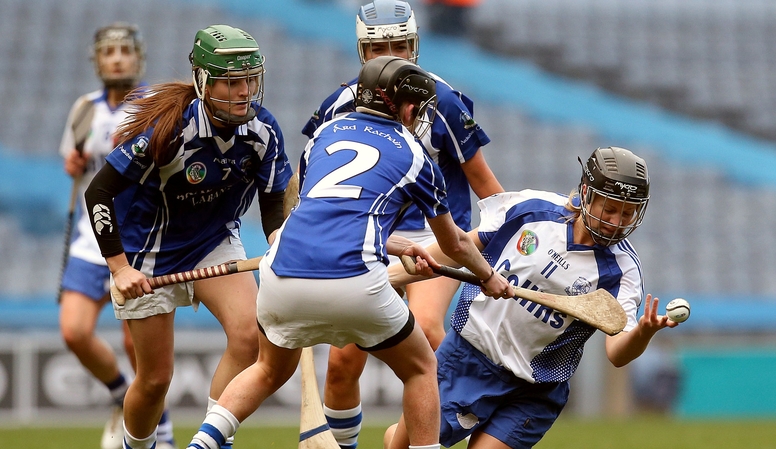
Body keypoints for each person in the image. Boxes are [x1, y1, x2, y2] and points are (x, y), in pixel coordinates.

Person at [185, 55, 512, 449]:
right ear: (406, 106)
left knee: (267, 370)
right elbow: (454, 243)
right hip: (353, 282)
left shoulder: (327, 133)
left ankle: (202, 442)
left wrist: (400, 244)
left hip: (280, 274)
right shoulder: (414, 153)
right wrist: (489, 277)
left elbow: (329, 214)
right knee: (422, 368)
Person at [301, 2, 504, 446]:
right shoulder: (338, 104)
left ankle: (429, 430)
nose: (389, 55)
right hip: (371, 240)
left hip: (440, 237)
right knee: (341, 366)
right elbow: (310, 181)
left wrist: (508, 241)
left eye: (398, 46)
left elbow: (486, 185)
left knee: (428, 331)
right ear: (361, 50)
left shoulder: (444, 101)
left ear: (414, 46)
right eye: (378, 47)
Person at [384, 146, 681, 449]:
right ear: (586, 194)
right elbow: (456, 248)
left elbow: (617, 354)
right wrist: (389, 278)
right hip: (467, 358)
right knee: (400, 445)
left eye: (628, 213)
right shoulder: (531, 210)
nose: (617, 221)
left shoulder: (623, 270)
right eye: (610, 209)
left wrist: (643, 332)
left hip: (536, 389)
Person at [83, 24, 292, 449]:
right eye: (230, 83)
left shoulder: (263, 131)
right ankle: (136, 446)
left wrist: (277, 238)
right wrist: (119, 268)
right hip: (148, 251)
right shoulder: (167, 130)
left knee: (251, 337)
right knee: (156, 379)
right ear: (203, 82)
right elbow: (98, 192)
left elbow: (273, 197)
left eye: (249, 80)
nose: (243, 92)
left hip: (214, 238)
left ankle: (214, 439)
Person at [58, 22, 176, 449]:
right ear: (97, 61)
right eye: (109, 53)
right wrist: (72, 165)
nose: (117, 59)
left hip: (137, 242)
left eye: (125, 51)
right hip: (90, 244)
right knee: (73, 332)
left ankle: (158, 428)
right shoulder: (84, 109)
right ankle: (119, 393)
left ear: (138, 58)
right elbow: (75, 163)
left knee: (136, 344)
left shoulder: (152, 106)